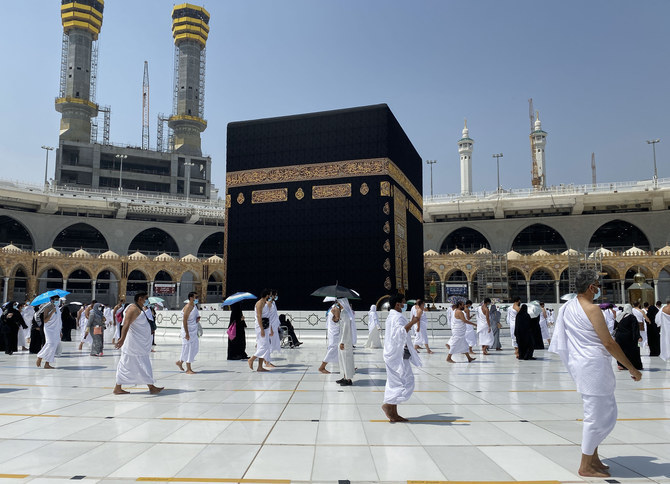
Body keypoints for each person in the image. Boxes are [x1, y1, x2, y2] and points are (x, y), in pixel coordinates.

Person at [549, 269, 641, 478]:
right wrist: (632, 368)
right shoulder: (592, 310)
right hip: (593, 367)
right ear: (591, 287)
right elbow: (608, 342)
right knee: (596, 416)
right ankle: (585, 465)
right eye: (598, 285)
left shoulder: (569, 307)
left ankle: (594, 458)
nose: (600, 289)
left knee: (601, 413)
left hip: (583, 365)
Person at [114, 291, 163, 394]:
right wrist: (122, 339)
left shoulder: (141, 309)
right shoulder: (133, 309)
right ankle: (151, 387)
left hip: (139, 344)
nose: (147, 301)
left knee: (138, 365)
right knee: (129, 365)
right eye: (146, 298)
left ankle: (150, 386)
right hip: (133, 344)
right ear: (140, 299)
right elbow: (126, 324)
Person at [381, 294, 421, 422]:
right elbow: (399, 333)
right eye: (403, 303)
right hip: (397, 355)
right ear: (397, 304)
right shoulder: (396, 317)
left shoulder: (393, 316)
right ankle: (388, 406)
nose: (404, 305)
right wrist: (413, 321)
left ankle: (393, 412)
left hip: (393, 354)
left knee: (395, 383)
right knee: (405, 382)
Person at [248, 290, 273, 372]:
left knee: (262, 346)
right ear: (266, 295)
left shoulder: (265, 303)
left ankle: (260, 367)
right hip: (261, 326)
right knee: (264, 345)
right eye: (269, 295)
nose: (270, 297)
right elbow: (259, 316)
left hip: (265, 326)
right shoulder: (259, 303)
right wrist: (262, 329)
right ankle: (252, 359)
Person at [36, 295, 63, 369]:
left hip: (56, 329)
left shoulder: (58, 308)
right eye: (56, 299)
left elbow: (59, 321)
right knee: (50, 344)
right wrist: (52, 312)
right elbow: (45, 320)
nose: (58, 301)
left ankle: (47, 363)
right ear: (52, 300)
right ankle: (40, 356)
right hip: (49, 329)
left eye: (58, 299)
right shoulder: (47, 308)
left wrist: (60, 331)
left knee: (54, 346)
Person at [176, 292, 200, 374]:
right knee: (188, 348)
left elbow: (193, 316)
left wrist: (197, 318)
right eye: (195, 297)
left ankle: (180, 362)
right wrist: (187, 333)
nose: (197, 299)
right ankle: (188, 368)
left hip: (193, 330)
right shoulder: (188, 307)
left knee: (193, 348)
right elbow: (184, 320)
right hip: (188, 330)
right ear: (191, 298)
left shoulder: (194, 306)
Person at [614, 304, 642, 371]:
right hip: (628, 337)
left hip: (619, 337)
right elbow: (635, 328)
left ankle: (621, 365)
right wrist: (638, 336)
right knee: (631, 351)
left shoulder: (619, 316)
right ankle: (634, 365)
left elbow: (614, 326)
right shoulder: (632, 317)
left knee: (621, 351)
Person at [318, 301, 342, 374]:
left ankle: (346, 366)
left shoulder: (331, 308)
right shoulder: (336, 309)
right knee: (333, 348)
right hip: (335, 333)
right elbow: (337, 319)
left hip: (333, 331)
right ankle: (322, 367)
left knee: (341, 350)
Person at [337, 298, 355, 386]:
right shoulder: (344, 312)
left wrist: (342, 342)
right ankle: (345, 376)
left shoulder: (345, 313)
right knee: (343, 359)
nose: (338, 304)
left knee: (346, 360)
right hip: (344, 339)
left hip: (345, 341)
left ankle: (348, 379)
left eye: (339, 303)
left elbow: (346, 328)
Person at [265, 290, 281, 367]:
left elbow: (275, 315)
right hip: (269, 327)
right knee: (268, 345)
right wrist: (270, 328)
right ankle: (266, 361)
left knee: (272, 344)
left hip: (274, 326)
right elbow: (268, 317)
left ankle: (267, 360)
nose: (276, 297)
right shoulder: (268, 304)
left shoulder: (273, 303)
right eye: (275, 295)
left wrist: (277, 325)